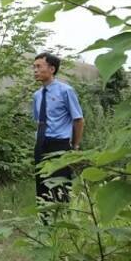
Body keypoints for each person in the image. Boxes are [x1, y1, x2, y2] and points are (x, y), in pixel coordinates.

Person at [32, 52, 84, 207]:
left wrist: (74, 145)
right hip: (41, 143)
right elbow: (38, 120)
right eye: (33, 67)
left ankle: (62, 222)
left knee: (59, 187)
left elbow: (79, 120)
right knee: (41, 186)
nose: (35, 70)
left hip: (59, 145)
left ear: (52, 69)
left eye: (39, 66)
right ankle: (45, 222)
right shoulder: (37, 95)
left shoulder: (65, 91)